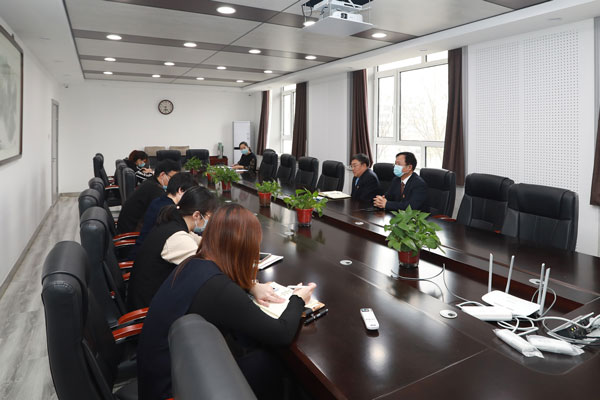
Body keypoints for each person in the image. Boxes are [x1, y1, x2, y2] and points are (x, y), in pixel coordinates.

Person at [137, 204, 316, 400]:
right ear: (243, 248)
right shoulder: (218, 289)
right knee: (267, 362)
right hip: (174, 389)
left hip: (160, 374)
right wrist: (298, 298)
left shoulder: (194, 263)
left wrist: (250, 286)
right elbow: (281, 333)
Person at [127, 186, 218, 310]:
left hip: (151, 296)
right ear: (196, 215)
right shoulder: (177, 238)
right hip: (148, 308)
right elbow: (207, 268)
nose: (210, 223)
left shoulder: (174, 222)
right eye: (209, 218)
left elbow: (202, 242)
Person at [131, 172, 198, 258]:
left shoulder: (160, 201)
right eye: (190, 195)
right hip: (146, 257)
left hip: (143, 251)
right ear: (181, 190)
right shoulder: (169, 211)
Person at [116, 159, 180, 234]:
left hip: (128, 227)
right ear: (162, 175)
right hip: (132, 232)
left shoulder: (150, 182)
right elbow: (163, 216)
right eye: (173, 178)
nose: (174, 182)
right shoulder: (155, 190)